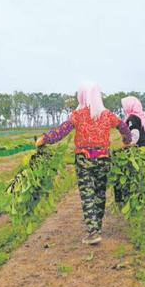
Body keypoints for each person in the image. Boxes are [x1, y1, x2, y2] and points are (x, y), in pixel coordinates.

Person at [36, 82, 132, 244]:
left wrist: (44, 139)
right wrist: (126, 141)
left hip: (84, 159)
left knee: (87, 193)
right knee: (100, 193)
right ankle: (97, 227)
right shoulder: (107, 114)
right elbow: (123, 127)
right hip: (103, 158)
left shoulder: (78, 115)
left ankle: (93, 230)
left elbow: (62, 130)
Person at [113, 96, 145, 204]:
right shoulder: (142, 116)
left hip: (135, 151)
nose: (124, 108)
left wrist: (125, 146)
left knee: (123, 172)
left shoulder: (132, 118)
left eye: (124, 106)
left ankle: (123, 199)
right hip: (144, 149)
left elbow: (135, 134)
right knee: (143, 175)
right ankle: (143, 198)